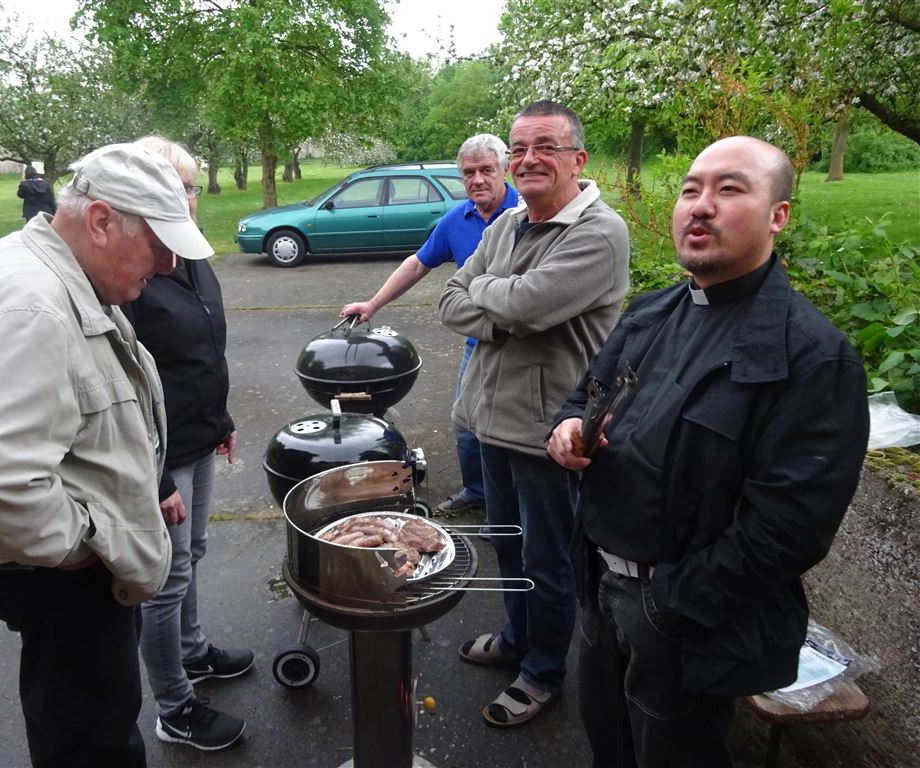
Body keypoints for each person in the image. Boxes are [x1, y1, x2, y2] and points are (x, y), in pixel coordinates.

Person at [547, 136, 870, 766]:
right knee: (607, 745)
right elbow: (582, 397)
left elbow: (788, 530)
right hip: (599, 589)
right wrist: (564, 432)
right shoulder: (650, 314)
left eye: (730, 189)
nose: (700, 205)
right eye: (690, 189)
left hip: (680, 624)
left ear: (778, 215)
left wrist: (666, 607)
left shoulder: (811, 358)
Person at [0, 142, 214, 767]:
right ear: (102, 221)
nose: (169, 264)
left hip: (63, 559)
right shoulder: (34, 305)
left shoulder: (63, 274)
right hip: (59, 573)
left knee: (89, 716)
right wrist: (83, 547)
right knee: (91, 739)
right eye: (159, 244)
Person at [438, 100, 630, 727]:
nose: (527, 160)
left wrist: (495, 299)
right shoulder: (507, 224)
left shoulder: (599, 232)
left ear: (578, 159)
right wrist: (503, 311)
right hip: (489, 419)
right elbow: (450, 300)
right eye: (518, 148)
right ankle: (517, 639)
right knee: (507, 545)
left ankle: (543, 672)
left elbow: (525, 304)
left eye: (545, 146)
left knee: (547, 561)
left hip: (550, 430)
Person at [122, 135, 251, 752]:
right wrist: (155, 480)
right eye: (175, 190)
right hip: (160, 454)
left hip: (199, 434)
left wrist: (221, 421)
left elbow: (203, 350)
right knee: (165, 579)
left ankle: (194, 652)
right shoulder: (132, 273)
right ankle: (174, 707)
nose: (189, 200)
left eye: (192, 188)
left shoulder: (191, 256)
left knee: (192, 553)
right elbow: (126, 386)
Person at [341, 133, 519, 520]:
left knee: (516, 432)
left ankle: (515, 505)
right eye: (468, 173)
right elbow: (418, 263)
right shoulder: (457, 220)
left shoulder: (526, 211)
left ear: (505, 170)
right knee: (466, 423)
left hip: (526, 343)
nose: (477, 180)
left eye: (487, 170)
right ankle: (477, 491)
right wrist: (373, 304)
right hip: (480, 342)